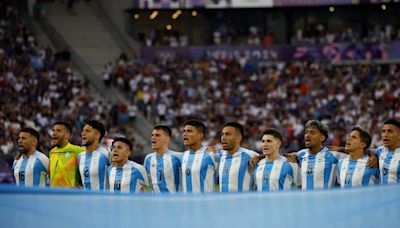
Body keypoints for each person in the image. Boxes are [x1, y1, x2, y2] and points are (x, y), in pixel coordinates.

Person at [290, 120, 346, 190]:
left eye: (312, 132)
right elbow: (281, 157)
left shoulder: (334, 155)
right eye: (306, 132)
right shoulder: (300, 155)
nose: (307, 135)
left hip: (326, 200)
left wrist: (342, 149)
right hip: (305, 200)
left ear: (322, 138)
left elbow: (359, 155)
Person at [217, 122, 258, 192]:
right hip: (223, 202)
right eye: (222, 134)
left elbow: (274, 159)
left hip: (243, 202)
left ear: (238, 138)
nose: (223, 137)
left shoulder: (249, 155)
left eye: (227, 134)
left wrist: (260, 157)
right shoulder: (220, 155)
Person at [181, 119, 217, 193]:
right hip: (185, 203)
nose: (185, 134)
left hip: (205, 203)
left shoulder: (211, 154)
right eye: (184, 131)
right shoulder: (183, 156)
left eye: (189, 131)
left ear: (200, 135)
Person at [144, 125, 181, 193]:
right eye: (152, 135)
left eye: (157, 135)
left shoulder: (178, 157)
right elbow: (146, 183)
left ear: (167, 139)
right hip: (154, 202)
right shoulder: (148, 158)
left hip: (173, 201)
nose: (153, 138)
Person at [49, 121, 85, 188]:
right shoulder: (52, 152)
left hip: (69, 195)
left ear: (67, 135)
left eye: (58, 131)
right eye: (53, 131)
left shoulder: (78, 151)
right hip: (53, 195)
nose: (54, 133)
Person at [78, 120, 110, 191]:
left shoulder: (106, 155)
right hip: (85, 201)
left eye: (87, 131)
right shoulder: (80, 156)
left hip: (103, 200)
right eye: (83, 131)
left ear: (97, 135)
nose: (83, 133)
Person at [375, 119, 400, 184]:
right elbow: (365, 151)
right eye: (383, 131)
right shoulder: (380, 150)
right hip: (384, 193)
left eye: (390, 131)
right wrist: (372, 155)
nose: (385, 135)